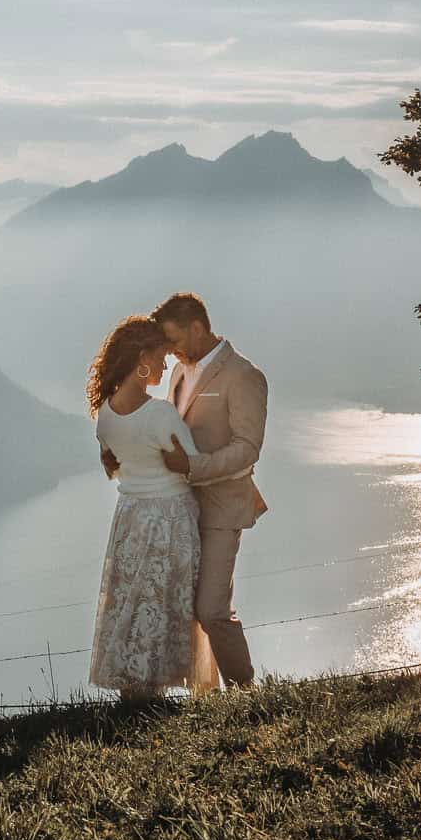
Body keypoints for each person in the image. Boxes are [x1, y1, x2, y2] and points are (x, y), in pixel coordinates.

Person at [86, 314, 220, 699]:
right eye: (161, 358)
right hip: (170, 518)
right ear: (142, 358)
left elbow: (112, 462)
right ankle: (169, 692)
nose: (165, 366)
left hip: (130, 518)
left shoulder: (106, 415)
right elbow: (193, 465)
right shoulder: (160, 415)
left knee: (134, 604)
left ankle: (137, 694)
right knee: (166, 603)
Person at [150, 291, 269, 688]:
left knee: (212, 608)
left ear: (197, 328)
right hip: (181, 510)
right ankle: (205, 697)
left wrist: (194, 467)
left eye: (175, 340)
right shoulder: (179, 373)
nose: (171, 351)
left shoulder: (244, 375)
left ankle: (245, 692)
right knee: (188, 608)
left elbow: (247, 449)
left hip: (222, 508)